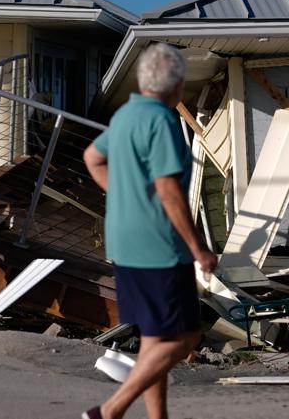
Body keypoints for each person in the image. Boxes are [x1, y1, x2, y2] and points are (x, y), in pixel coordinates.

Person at [82, 43, 217, 419]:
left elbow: (91, 157)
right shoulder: (162, 120)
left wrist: (123, 194)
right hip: (158, 246)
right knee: (186, 336)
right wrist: (199, 248)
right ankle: (110, 411)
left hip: (123, 242)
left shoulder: (125, 115)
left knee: (155, 340)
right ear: (177, 86)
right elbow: (169, 190)